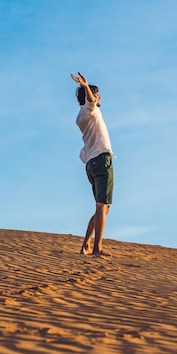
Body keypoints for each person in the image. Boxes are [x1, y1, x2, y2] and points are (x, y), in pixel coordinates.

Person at [71, 71, 114, 256]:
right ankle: (97, 248)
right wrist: (86, 86)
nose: (99, 97)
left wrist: (86, 89)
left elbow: (90, 101)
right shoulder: (90, 110)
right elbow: (90, 100)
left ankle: (86, 245)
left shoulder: (80, 117)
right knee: (101, 206)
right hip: (101, 160)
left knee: (103, 208)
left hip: (91, 163)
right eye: (97, 94)